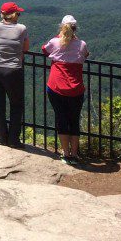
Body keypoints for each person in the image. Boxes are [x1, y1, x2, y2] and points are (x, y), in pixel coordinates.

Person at [42, 14, 89, 164]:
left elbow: (44, 50)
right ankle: (75, 154)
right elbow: (85, 55)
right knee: (73, 120)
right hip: (76, 89)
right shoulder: (82, 44)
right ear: (75, 28)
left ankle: (66, 153)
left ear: (62, 28)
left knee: (61, 119)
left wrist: (59, 37)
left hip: (56, 87)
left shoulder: (55, 42)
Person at [0, 1, 29, 148]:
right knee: (16, 105)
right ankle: (13, 140)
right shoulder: (21, 28)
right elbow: (25, 48)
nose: (19, 15)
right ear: (14, 15)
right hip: (12, 70)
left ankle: (2, 138)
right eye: (18, 13)